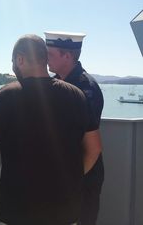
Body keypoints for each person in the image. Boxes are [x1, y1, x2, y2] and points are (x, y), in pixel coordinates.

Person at [0, 34, 93, 225]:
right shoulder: (76, 94)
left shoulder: (8, 94)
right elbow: (94, 148)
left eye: (14, 61)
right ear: (44, 59)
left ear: (20, 59)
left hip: (18, 212)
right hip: (66, 211)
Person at [45, 31, 104, 225]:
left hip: (81, 178)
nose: (46, 59)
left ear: (67, 56)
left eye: (50, 54)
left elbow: (90, 146)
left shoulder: (86, 89)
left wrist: (73, 180)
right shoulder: (54, 83)